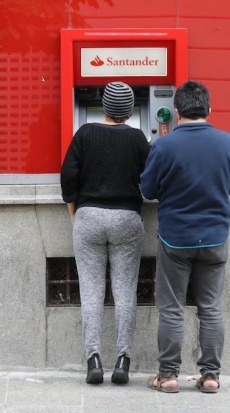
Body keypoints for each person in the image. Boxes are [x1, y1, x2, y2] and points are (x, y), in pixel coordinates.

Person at [140, 80, 230, 394]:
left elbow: (147, 190)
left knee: (172, 308)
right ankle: (211, 376)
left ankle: (168, 376)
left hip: (175, 238)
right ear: (209, 110)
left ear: (176, 112)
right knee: (211, 307)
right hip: (215, 237)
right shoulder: (226, 142)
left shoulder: (164, 146)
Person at [60, 81, 150, 385]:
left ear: (104, 106)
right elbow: (150, 183)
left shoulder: (85, 133)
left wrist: (77, 214)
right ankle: (123, 361)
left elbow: (68, 176)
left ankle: (94, 359)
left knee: (91, 291)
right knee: (125, 292)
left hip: (89, 217)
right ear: (129, 110)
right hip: (126, 219)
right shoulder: (138, 138)